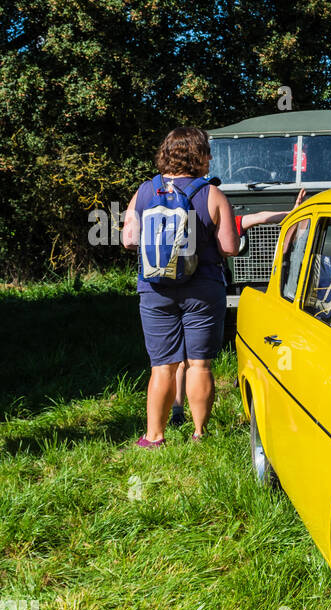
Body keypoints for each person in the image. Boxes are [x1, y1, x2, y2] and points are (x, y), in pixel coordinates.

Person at [121, 127, 239, 446]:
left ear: (166, 153)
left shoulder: (145, 191)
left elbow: (129, 240)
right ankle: (199, 434)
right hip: (203, 288)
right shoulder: (212, 194)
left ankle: (154, 436)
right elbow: (229, 247)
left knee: (162, 365)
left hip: (155, 288)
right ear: (199, 155)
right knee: (199, 363)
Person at [167, 189, 306, 427]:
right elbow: (261, 217)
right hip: (205, 294)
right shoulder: (227, 224)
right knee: (198, 362)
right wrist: (293, 213)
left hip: (172, 290)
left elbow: (261, 216)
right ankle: (198, 426)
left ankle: (176, 412)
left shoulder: (177, 223)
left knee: (178, 360)